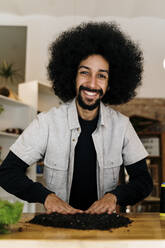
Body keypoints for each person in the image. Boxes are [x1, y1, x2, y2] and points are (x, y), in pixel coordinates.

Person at [0, 22, 153, 215]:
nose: (91, 83)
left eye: (101, 76)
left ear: (110, 83)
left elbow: (144, 180)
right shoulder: (46, 123)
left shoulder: (122, 126)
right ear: (72, 75)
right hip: (58, 230)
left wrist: (114, 196)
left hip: (106, 229)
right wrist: (46, 197)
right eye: (84, 72)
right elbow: (7, 172)